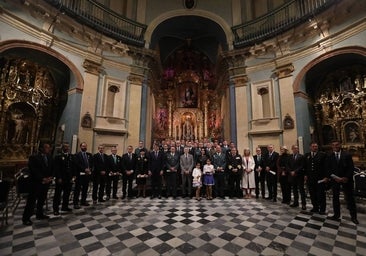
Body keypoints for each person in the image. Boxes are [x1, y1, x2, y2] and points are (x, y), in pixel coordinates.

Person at [326, 140, 358, 224]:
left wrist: (346, 177)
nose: (335, 146)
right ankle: (336, 215)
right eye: (333, 145)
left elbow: (351, 168)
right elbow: (328, 169)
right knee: (335, 198)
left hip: (346, 180)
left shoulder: (347, 155)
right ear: (331, 146)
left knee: (350, 198)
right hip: (335, 180)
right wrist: (334, 177)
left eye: (337, 145)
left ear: (340, 145)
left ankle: (354, 217)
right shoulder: (329, 155)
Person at [22, 142, 54, 225]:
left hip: (46, 182)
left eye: (49, 147)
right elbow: (33, 170)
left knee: (42, 199)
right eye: (46, 147)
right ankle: (26, 218)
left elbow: (51, 168)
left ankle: (39, 214)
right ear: (41, 148)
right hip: (36, 182)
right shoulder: (34, 157)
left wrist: (50, 177)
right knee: (31, 201)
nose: (48, 149)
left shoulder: (49, 157)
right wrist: (42, 178)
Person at [303, 142, 327, 214]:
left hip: (320, 178)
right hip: (310, 178)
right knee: (312, 194)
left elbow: (325, 167)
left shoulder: (323, 155)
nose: (315, 148)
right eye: (313, 146)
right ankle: (315, 207)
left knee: (321, 195)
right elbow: (305, 166)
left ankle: (322, 209)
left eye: (316, 146)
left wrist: (326, 177)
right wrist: (305, 175)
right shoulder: (307, 155)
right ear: (310, 147)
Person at [53, 142, 75, 215]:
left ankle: (64, 206)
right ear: (62, 148)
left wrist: (73, 176)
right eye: (65, 147)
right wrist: (58, 177)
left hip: (69, 178)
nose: (67, 148)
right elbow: (56, 168)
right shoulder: (58, 156)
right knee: (58, 194)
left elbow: (72, 167)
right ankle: (56, 209)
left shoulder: (71, 156)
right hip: (61, 178)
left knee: (67, 193)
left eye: (68, 147)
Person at [73, 142, 93, 209]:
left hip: (87, 175)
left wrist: (90, 169)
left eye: (85, 146)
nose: (84, 147)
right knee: (77, 189)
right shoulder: (77, 155)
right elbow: (77, 164)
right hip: (80, 175)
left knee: (85, 189)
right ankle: (75, 203)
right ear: (80, 147)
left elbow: (91, 163)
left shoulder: (89, 155)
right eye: (83, 146)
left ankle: (83, 201)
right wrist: (84, 169)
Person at [288, 145, 306, 210]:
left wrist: (295, 171)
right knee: (294, 190)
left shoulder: (301, 156)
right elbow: (287, 165)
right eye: (294, 148)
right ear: (292, 149)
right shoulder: (289, 156)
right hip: (292, 176)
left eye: (297, 148)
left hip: (299, 175)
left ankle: (303, 204)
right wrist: (290, 171)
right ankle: (296, 202)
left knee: (301, 190)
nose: (296, 149)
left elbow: (302, 166)